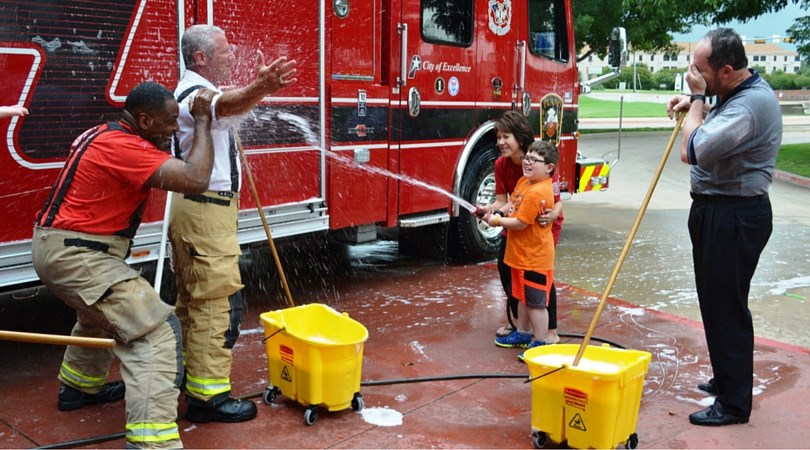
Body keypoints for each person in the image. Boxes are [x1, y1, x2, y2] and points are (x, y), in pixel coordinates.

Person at [31, 81, 217, 448]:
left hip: (63, 247)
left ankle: (79, 387)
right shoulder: (124, 147)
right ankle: (153, 442)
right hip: (77, 253)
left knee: (102, 312)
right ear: (144, 120)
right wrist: (204, 123)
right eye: (168, 123)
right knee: (153, 331)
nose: (174, 130)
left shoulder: (103, 133)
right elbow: (196, 179)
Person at [168, 24, 297, 423]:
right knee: (215, 303)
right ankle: (209, 399)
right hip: (205, 212)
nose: (231, 56)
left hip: (199, 210)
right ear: (201, 57)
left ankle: (195, 381)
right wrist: (263, 87)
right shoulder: (195, 94)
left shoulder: (193, 91)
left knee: (195, 302)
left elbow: (228, 107)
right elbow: (222, 105)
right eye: (224, 52)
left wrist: (254, 91)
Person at [666, 28, 781, 426]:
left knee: (726, 308)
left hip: (733, 215)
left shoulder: (749, 107)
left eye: (699, 70)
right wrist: (697, 101)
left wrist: (697, 101)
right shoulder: (736, 95)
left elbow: (692, 150)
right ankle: (727, 378)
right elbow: (716, 115)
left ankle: (734, 404)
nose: (691, 75)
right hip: (721, 212)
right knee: (716, 302)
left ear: (728, 70)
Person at [483, 111, 563, 348]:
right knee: (507, 268)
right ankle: (520, 325)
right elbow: (503, 201)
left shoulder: (539, 165)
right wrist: (492, 211)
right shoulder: (503, 165)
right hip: (516, 223)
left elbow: (556, 200)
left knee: (539, 279)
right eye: (498, 137)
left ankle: (549, 331)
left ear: (519, 138)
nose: (500, 142)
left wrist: (554, 214)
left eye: (505, 137)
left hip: (542, 226)